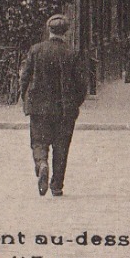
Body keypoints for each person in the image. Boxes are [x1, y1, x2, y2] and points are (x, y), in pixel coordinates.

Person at [18, 14, 90, 197]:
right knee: (62, 146)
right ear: (66, 32)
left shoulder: (36, 50)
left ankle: (42, 163)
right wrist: (75, 103)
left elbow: (24, 77)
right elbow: (82, 84)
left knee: (39, 142)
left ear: (49, 30)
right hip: (64, 109)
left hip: (39, 108)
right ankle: (57, 185)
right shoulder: (72, 53)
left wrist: (25, 98)